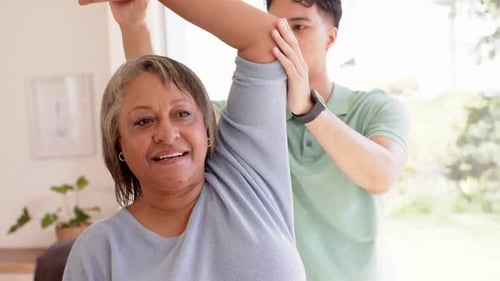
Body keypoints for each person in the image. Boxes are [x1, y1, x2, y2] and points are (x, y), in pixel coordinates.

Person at [85, 1, 411, 281]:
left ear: (330, 37)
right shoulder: (240, 129)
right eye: (279, 27)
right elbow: (164, 118)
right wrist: (134, 26)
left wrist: (307, 109)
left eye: (298, 27)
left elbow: (380, 175)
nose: (286, 40)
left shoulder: (372, 109)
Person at [64, 0, 311, 280]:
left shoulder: (247, 176)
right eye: (144, 122)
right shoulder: (100, 250)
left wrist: (135, 24)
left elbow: (264, 36)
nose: (168, 134)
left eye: (182, 114)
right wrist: (132, 27)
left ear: (206, 129)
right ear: (118, 142)